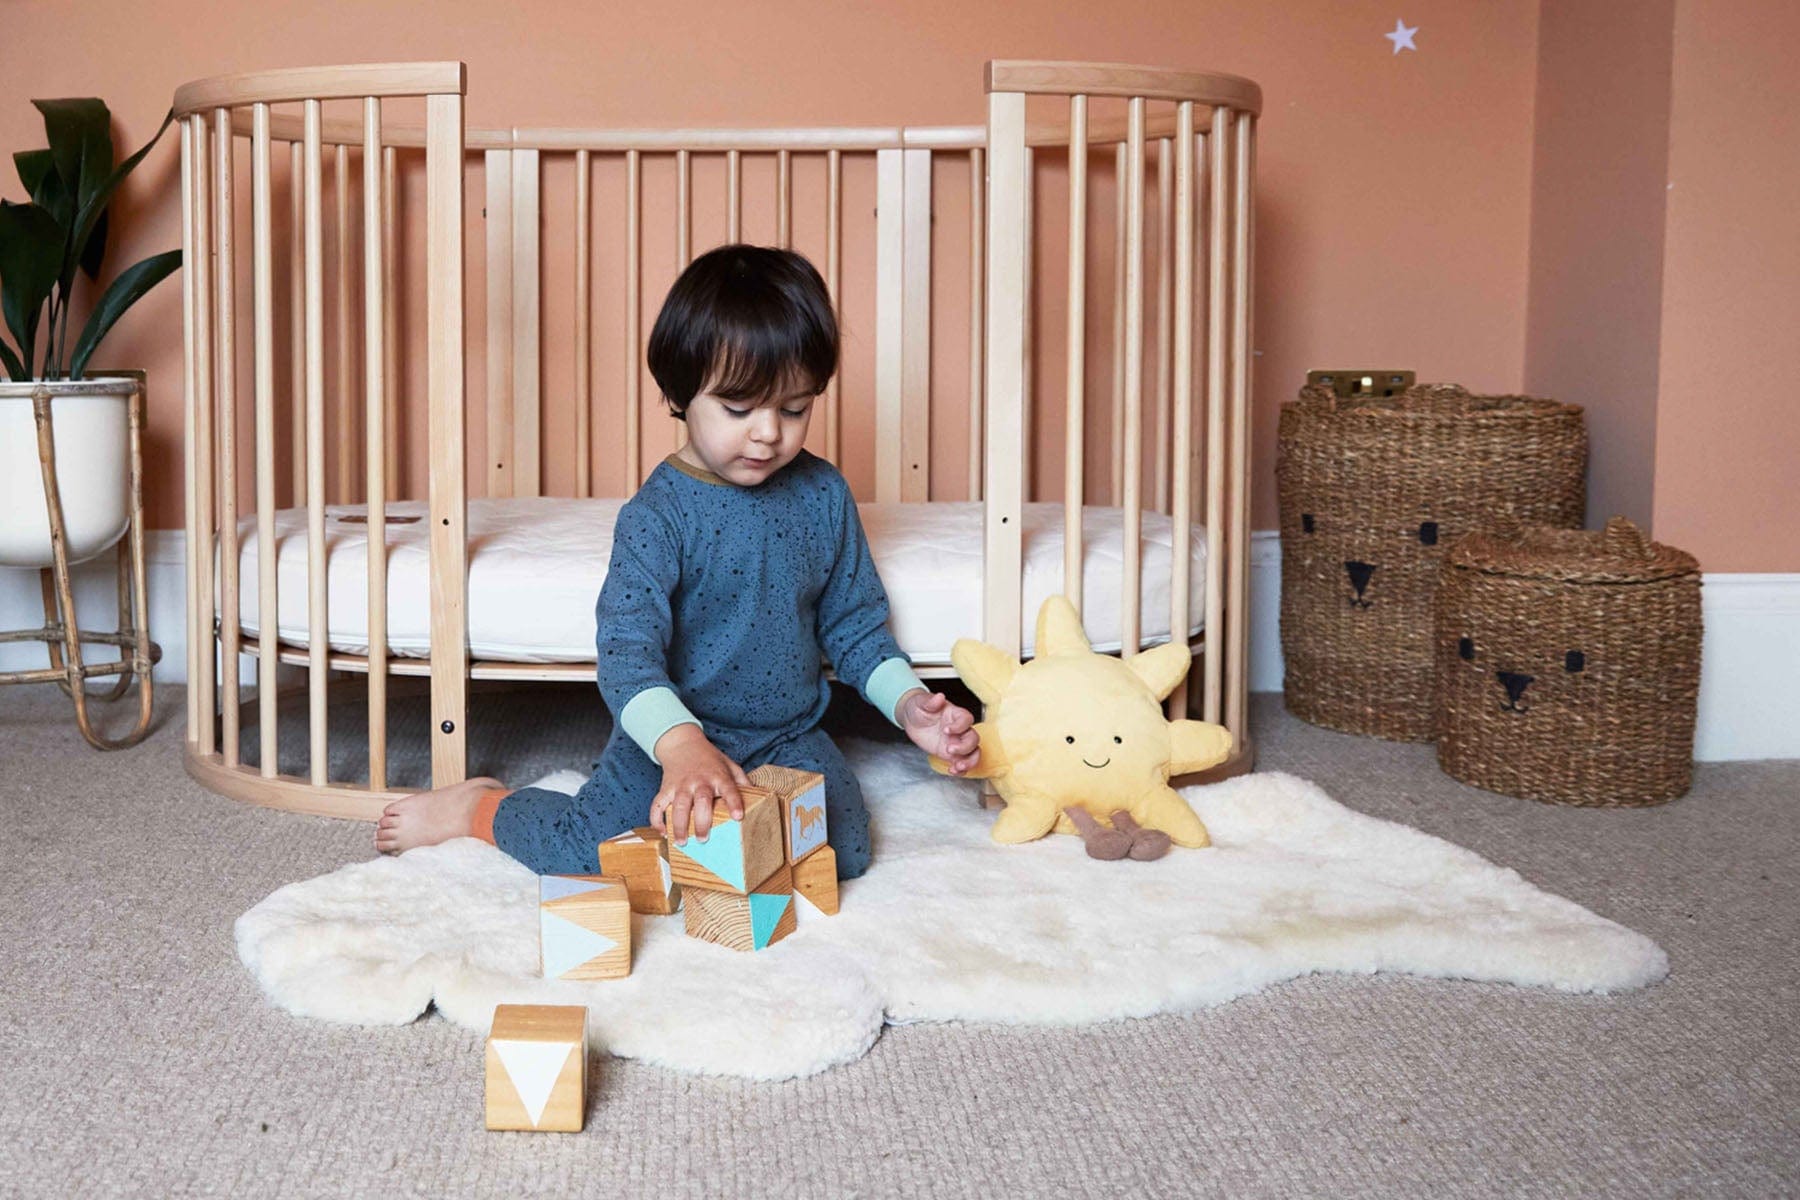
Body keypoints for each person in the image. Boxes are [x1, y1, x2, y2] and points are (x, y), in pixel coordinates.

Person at [375, 244, 981, 878]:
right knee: (592, 852)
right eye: (739, 409)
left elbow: (855, 627)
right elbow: (627, 657)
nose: (768, 432)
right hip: (672, 735)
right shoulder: (657, 516)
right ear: (681, 392)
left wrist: (909, 704)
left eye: (794, 408)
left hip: (784, 735)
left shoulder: (823, 494)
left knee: (841, 854)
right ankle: (480, 807)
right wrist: (681, 746)